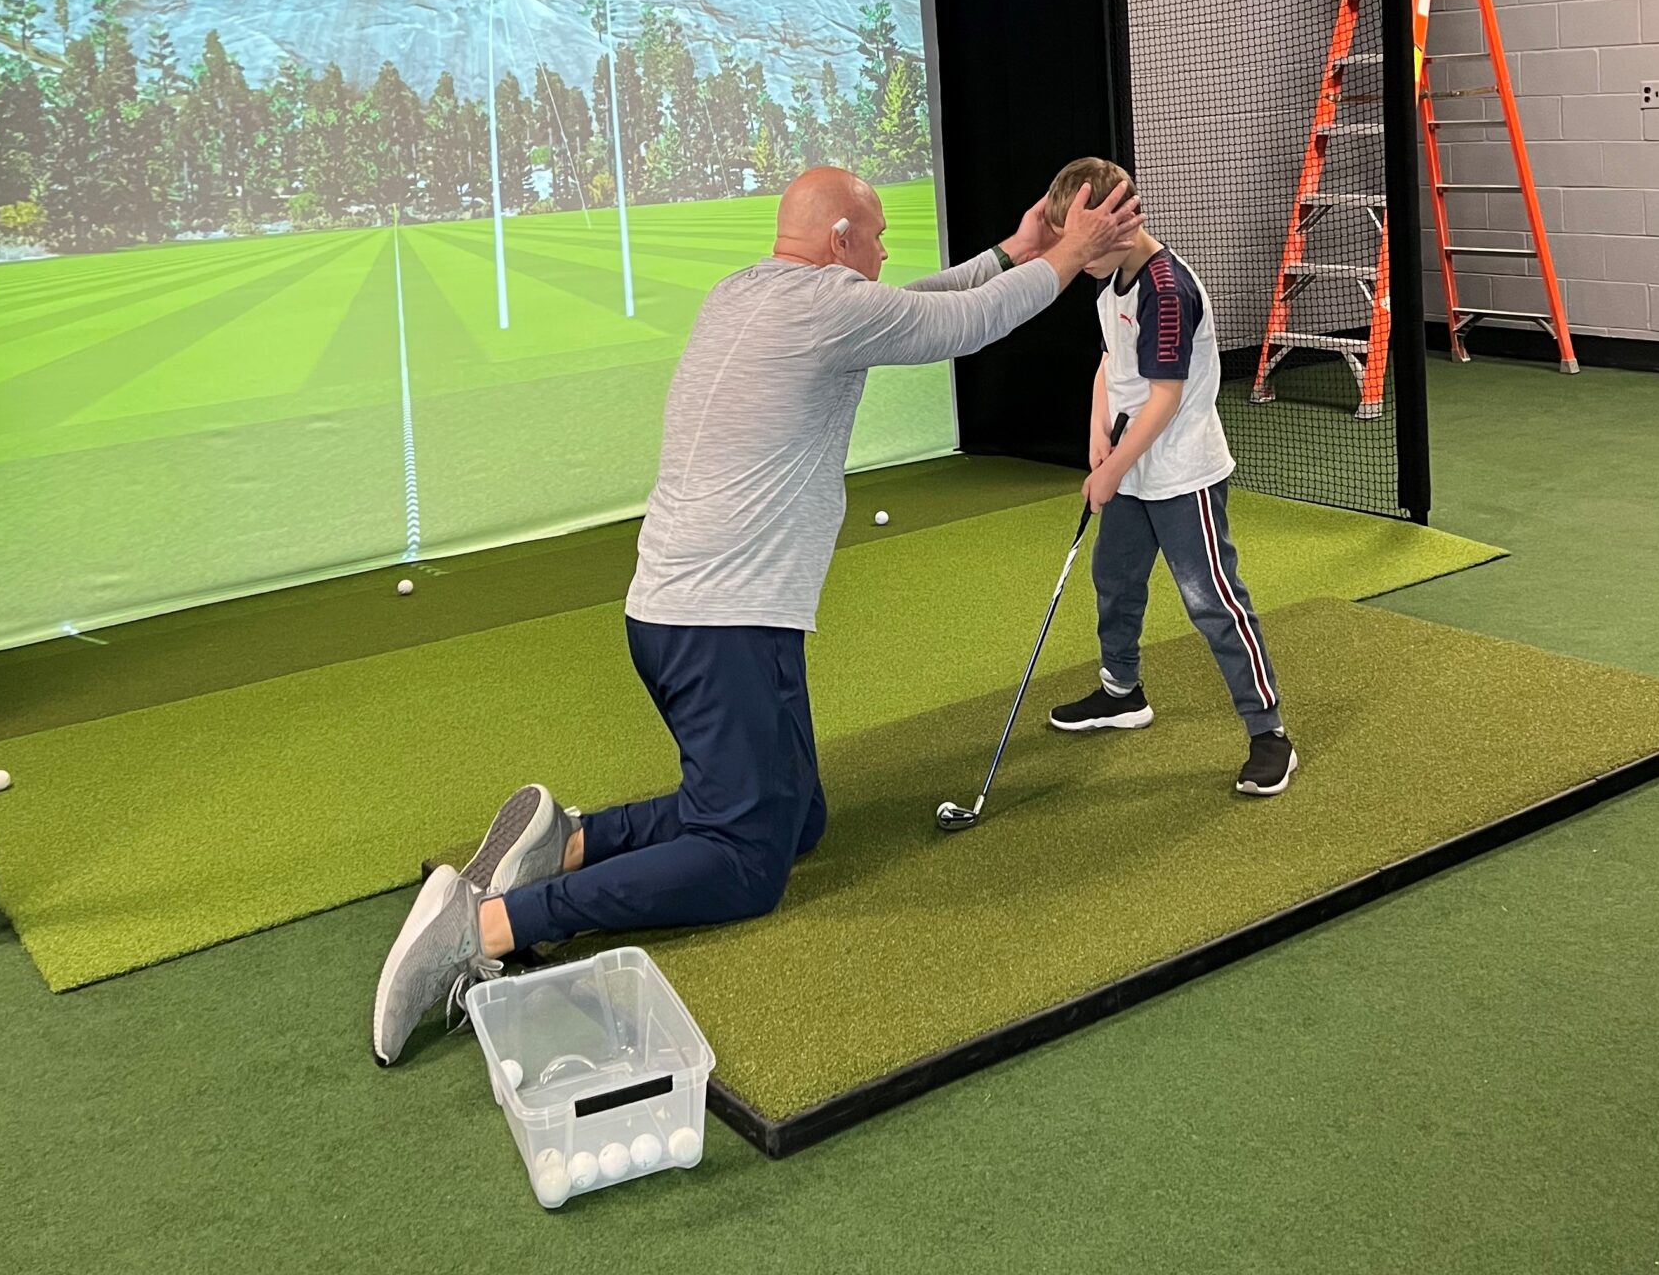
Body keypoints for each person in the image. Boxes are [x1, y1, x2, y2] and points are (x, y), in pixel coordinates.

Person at [371, 162, 1142, 1063]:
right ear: (842, 241)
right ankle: (487, 924)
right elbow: (958, 325)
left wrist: (1018, 249)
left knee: (796, 819)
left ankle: (568, 839)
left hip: (690, 617)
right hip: (720, 625)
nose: (887, 251)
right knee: (746, 861)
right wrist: (1069, 256)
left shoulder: (749, 293)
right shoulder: (825, 308)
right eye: (879, 234)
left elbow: (917, 305)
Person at [1036, 156, 1296, 800]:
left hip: (1182, 474)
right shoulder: (1109, 286)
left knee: (1213, 601)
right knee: (1114, 579)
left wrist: (1112, 470)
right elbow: (1109, 363)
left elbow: (1165, 396)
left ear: (1118, 225)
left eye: (1081, 242)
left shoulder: (1166, 288)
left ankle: (1270, 735)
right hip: (1130, 468)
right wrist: (1097, 435)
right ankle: (1122, 692)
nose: (1075, 257)